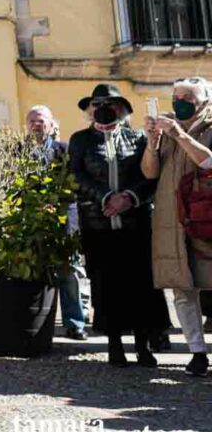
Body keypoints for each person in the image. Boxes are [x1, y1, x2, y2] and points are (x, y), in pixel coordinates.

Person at [69, 83, 168, 368]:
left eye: (110, 104)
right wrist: (106, 197)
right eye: (97, 104)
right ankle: (114, 345)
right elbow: (75, 176)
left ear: (122, 109)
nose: (103, 109)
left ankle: (142, 345)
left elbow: (150, 177)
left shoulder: (137, 138)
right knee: (105, 285)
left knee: (140, 286)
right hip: (98, 226)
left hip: (135, 224)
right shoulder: (80, 140)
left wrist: (129, 198)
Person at [142, 77, 212, 377]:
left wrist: (179, 134)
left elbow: (208, 162)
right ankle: (197, 352)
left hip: (206, 217)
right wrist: (152, 142)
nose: (180, 101)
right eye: (176, 96)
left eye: (187, 97)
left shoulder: (207, 127)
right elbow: (149, 172)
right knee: (183, 289)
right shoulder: (166, 127)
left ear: (205, 102)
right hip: (173, 220)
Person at [26, 105, 89, 341]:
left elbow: (74, 184)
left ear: (51, 124)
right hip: (31, 222)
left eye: (41, 120)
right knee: (36, 274)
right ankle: (41, 322)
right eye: (32, 120)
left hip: (63, 220)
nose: (36, 125)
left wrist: (55, 203)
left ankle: (74, 323)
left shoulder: (64, 150)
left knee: (68, 274)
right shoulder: (19, 151)